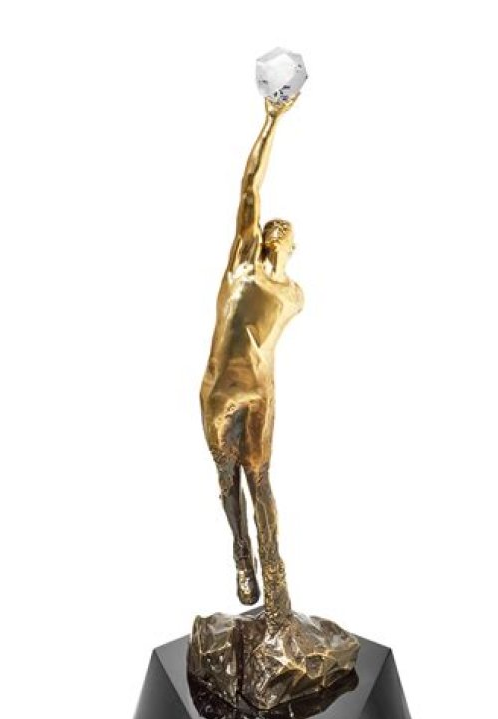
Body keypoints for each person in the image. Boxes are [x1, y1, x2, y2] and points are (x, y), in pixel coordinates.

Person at [200, 96, 303, 632]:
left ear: (292, 246)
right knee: (227, 481)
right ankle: (242, 553)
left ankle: (275, 580)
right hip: (220, 391)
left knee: (260, 481)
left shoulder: (294, 296)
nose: (272, 233)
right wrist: (271, 120)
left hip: (261, 394)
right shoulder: (241, 265)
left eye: (282, 232)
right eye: (268, 228)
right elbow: (250, 187)